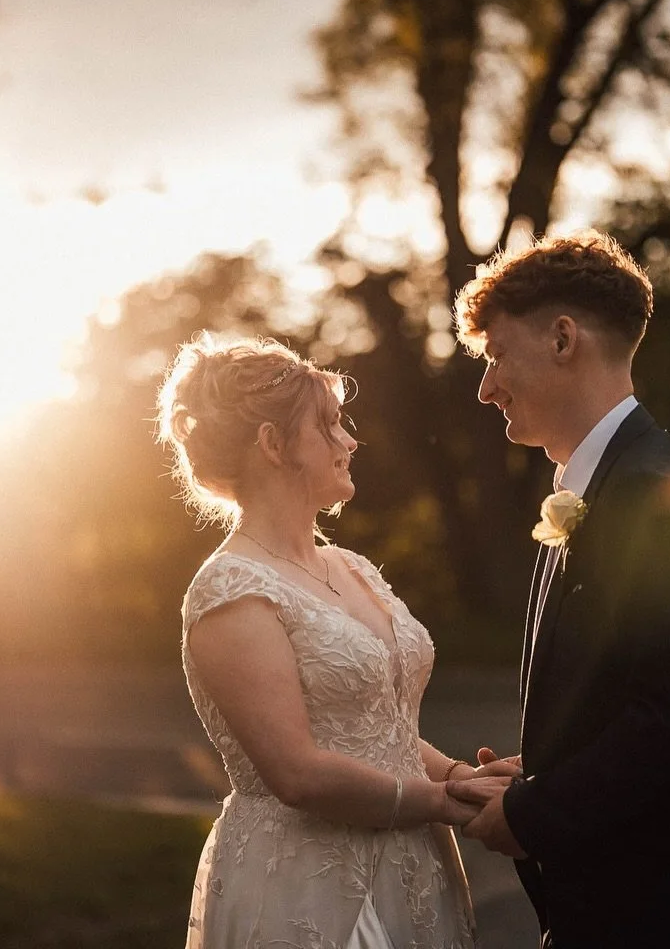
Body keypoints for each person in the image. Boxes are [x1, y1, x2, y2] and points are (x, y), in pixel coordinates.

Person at [445, 230, 670, 948]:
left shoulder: (652, 492)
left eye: (497, 355)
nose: (486, 386)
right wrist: (539, 770)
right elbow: (625, 692)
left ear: (563, 339)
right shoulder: (600, 486)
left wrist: (532, 816)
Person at [157, 334, 516, 949]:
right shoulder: (229, 591)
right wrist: (445, 801)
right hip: (307, 885)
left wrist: (467, 776)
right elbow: (297, 774)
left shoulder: (352, 567)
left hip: (414, 870)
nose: (349, 441)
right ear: (272, 444)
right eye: (328, 426)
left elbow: (378, 729)